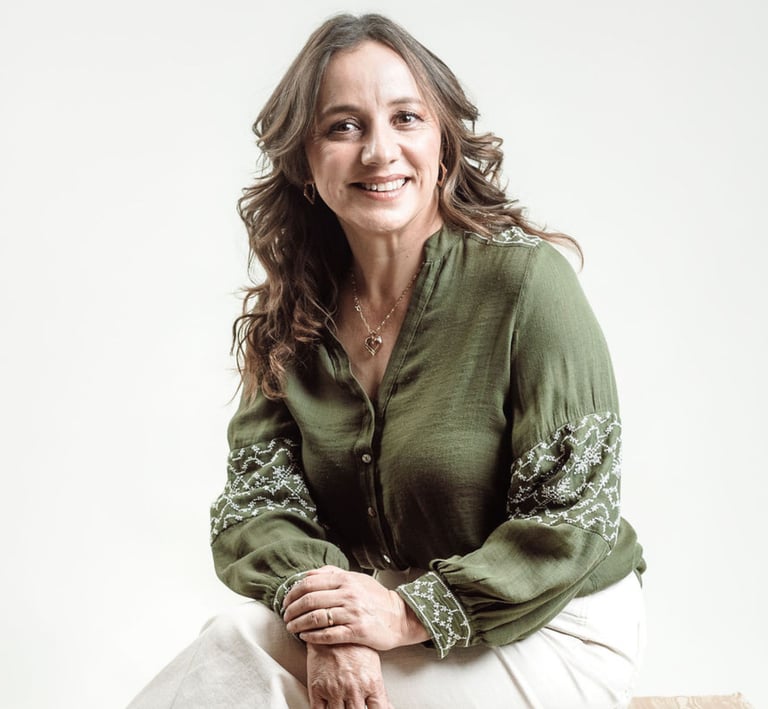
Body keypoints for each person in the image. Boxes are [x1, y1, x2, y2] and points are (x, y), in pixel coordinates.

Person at [128, 13, 646, 709]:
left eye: (406, 118)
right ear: (305, 162)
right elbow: (259, 507)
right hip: (383, 614)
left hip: (555, 626)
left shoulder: (526, 284)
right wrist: (332, 624)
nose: (379, 151)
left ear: (443, 143)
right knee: (232, 642)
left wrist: (404, 615)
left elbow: (570, 520)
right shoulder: (297, 315)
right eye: (343, 127)